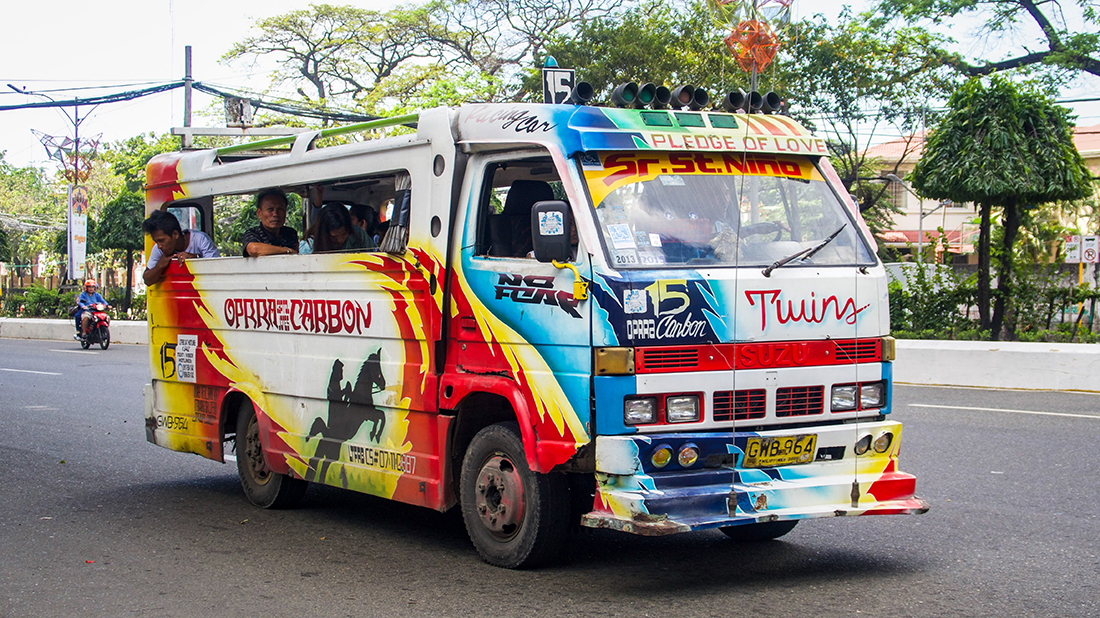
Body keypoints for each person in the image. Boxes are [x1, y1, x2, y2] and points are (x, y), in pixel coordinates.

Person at [141, 210, 220, 285]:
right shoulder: (159, 249)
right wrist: (159, 266)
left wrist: (196, 259)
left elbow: (217, 270)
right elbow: (147, 280)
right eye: (156, 241)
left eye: (162, 240)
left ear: (175, 234)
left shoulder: (200, 239)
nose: (159, 246)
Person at [299, 203, 377, 254]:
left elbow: (374, 254)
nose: (340, 240)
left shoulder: (358, 234)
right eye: (334, 237)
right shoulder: (308, 247)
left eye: (344, 234)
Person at [242, 188, 298, 256]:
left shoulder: (290, 233)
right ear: (259, 213)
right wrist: (288, 251)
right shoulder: (253, 233)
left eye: (280, 209)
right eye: (270, 209)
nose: (275, 214)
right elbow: (254, 249)